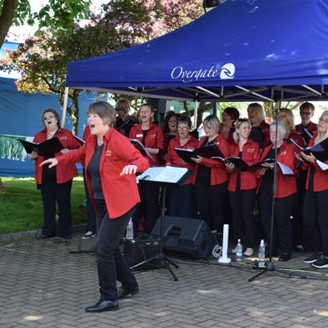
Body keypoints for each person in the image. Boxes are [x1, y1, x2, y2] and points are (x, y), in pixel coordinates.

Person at [40, 101, 149, 312]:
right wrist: (58, 160)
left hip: (121, 203)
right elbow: (78, 155)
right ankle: (130, 284)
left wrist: (134, 166)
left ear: (107, 120)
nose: (90, 119)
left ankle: (109, 297)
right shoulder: (91, 141)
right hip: (102, 203)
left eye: (94, 116)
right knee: (110, 247)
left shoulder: (117, 141)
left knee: (103, 249)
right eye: (89, 115)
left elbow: (141, 160)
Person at [28, 108, 81, 240]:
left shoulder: (67, 134)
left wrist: (68, 151)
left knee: (64, 203)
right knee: (48, 203)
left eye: (50, 116)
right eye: (45, 118)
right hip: (44, 176)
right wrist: (31, 156)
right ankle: (48, 231)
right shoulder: (38, 136)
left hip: (63, 175)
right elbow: (33, 154)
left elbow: (80, 150)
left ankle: (65, 232)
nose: (48, 119)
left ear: (57, 119)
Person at [257, 121, 297, 262]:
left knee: (282, 220)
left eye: (275, 132)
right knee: (267, 220)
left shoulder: (289, 148)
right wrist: (260, 170)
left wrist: (276, 166)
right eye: (270, 132)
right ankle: (272, 247)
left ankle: (286, 250)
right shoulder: (267, 148)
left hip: (283, 189)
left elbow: (291, 167)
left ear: (282, 134)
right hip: (266, 188)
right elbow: (260, 167)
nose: (272, 135)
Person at [226, 119, 260, 257]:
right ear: (238, 130)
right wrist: (229, 168)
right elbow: (227, 168)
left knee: (247, 215)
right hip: (234, 184)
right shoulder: (232, 147)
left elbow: (256, 163)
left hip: (249, 184)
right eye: (244, 128)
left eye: (248, 127)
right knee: (236, 215)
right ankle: (239, 242)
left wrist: (245, 164)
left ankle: (250, 245)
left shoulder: (254, 145)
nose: (247, 130)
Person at [298, 110, 328, 269]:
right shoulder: (313, 139)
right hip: (310, 183)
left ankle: (326, 254)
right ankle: (318, 251)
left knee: (323, 222)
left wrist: (314, 160)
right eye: (321, 119)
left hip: (325, 185)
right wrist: (303, 159)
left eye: (325, 121)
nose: (321, 122)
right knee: (308, 220)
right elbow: (308, 163)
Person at [129, 103, 164, 233]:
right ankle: (135, 231)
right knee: (136, 202)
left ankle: (153, 232)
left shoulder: (157, 130)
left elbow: (160, 150)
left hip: (152, 170)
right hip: (136, 169)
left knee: (151, 203)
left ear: (151, 114)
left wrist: (146, 149)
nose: (143, 114)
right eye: (141, 111)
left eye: (146, 111)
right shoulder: (134, 129)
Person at [192, 114, 230, 233]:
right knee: (203, 210)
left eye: (209, 127)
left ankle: (218, 238)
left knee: (215, 210)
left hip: (216, 181)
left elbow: (222, 163)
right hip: (201, 179)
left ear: (216, 127)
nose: (206, 129)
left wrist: (203, 160)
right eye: (204, 127)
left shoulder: (222, 142)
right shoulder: (202, 140)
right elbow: (197, 154)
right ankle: (205, 236)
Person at [277, 108, 305, 252]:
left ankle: (298, 240)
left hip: (295, 177)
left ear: (289, 118)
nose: (280, 118)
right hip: (279, 179)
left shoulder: (296, 136)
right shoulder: (275, 135)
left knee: (296, 210)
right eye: (278, 116)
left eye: (282, 116)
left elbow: (302, 154)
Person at [166, 114, 198, 218]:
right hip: (174, 178)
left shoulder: (195, 143)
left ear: (190, 128)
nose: (182, 130)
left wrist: (190, 161)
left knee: (186, 208)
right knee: (173, 207)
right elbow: (169, 159)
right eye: (180, 127)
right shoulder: (172, 141)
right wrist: (168, 165)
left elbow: (199, 162)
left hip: (188, 179)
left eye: (185, 127)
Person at [81, 125, 96, 239]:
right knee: (90, 198)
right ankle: (91, 227)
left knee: (102, 199)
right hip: (88, 167)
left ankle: (101, 228)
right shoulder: (87, 129)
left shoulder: (111, 130)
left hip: (102, 168)